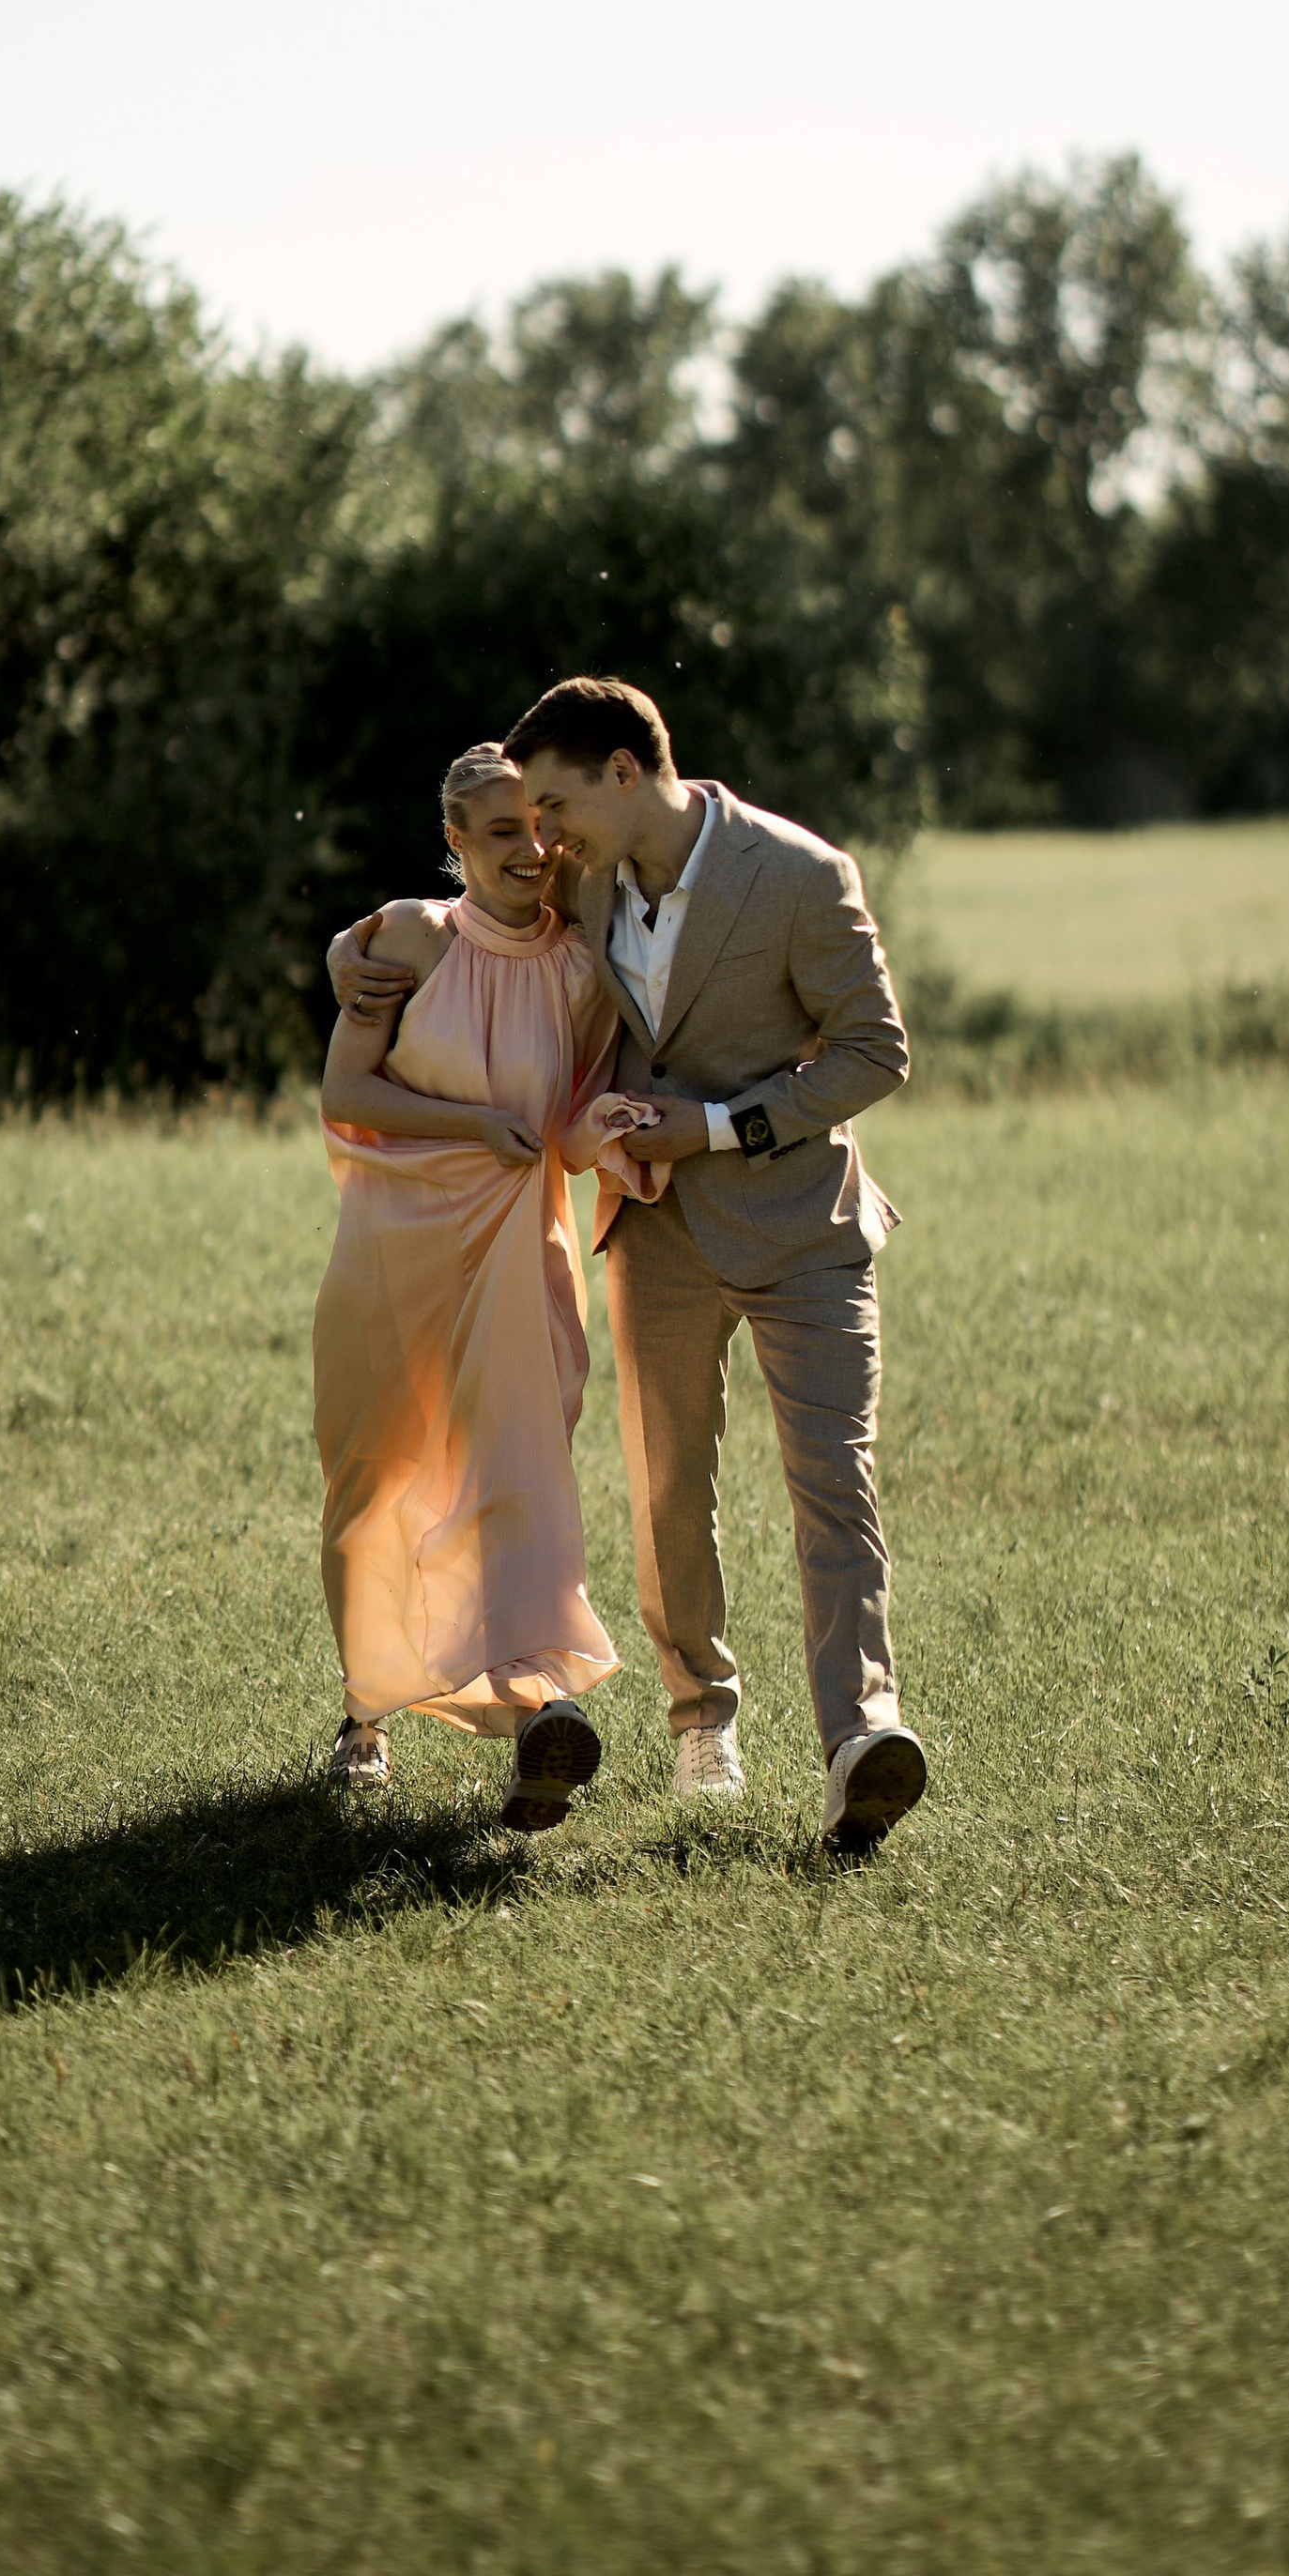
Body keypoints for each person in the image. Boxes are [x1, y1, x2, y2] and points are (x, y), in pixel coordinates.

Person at [331, 678, 926, 1859]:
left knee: (833, 1487)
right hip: (655, 1237)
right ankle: (703, 1724)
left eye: (555, 804)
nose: (543, 836)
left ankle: (862, 1738)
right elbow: (451, 915)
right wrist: (347, 951)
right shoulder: (583, 879)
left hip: (804, 1228)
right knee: (669, 1500)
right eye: (530, 817)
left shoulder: (802, 875)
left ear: (620, 773)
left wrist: (712, 1128)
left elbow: (875, 1051)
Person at [311, 742, 663, 1831]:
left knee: (518, 1470)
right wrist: (472, 1125)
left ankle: (538, 1712)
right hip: (394, 1250)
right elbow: (345, 1087)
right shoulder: (409, 937)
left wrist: (589, 1129)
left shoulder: (579, 965)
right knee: (374, 1480)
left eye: (539, 827)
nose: (529, 847)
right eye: (499, 830)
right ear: (454, 842)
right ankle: (366, 1713)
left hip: (517, 1253)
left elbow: (556, 1136)